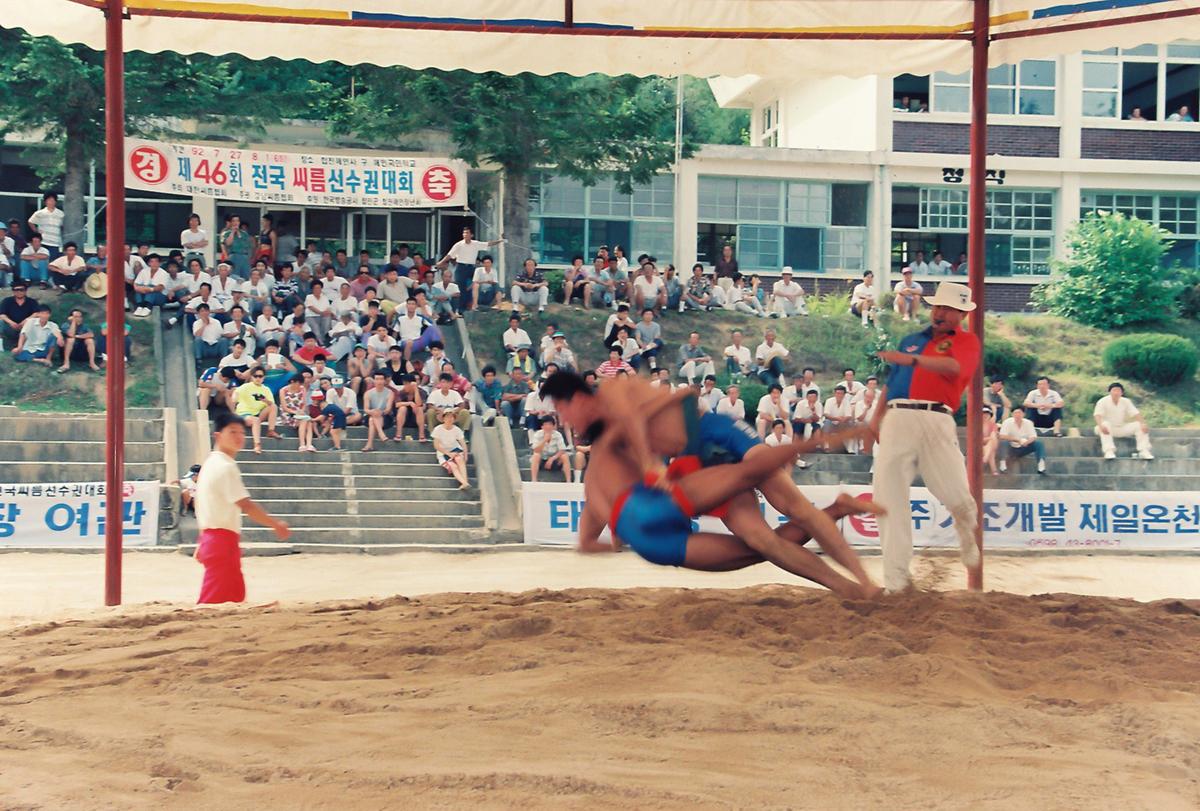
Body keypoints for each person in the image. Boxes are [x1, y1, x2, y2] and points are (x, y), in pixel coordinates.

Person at [541, 372, 877, 598]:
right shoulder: (606, 440)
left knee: (795, 507)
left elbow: (634, 418)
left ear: (575, 399)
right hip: (691, 462)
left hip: (712, 430)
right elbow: (603, 508)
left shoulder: (612, 392)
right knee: (762, 542)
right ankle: (847, 584)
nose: (565, 422)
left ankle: (864, 581)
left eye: (561, 411)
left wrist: (649, 460)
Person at [872, 281, 981, 592]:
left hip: (937, 417)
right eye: (937, 306)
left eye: (947, 308)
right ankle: (896, 582)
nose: (940, 313)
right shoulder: (911, 340)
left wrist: (915, 360)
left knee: (958, 497)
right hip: (898, 416)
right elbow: (892, 383)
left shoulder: (967, 341)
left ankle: (965, 528)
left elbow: (953, 367)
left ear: (961, 313)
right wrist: (874, 421)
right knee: (888, 499)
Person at [193, 412, 290, 604]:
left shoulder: (211, 464)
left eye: (241, 432)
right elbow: (245, 504)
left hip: (215, 538)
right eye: (233, 432)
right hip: (220, 540)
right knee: (215, 602)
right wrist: (275, 524)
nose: (239, 437)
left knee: (233, 597)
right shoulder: (224, 467)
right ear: (218, 436)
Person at [436, 226, 504, 311]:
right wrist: (441, 262)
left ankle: (475, 305)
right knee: (461, 289)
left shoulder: (475, 243)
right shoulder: (459, 244)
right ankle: (461, 309)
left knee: (476, 284)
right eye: (464, 233)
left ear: (471, 235)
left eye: (467, 233)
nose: (465, 235)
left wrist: (500, 241)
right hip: (461, 267)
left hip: (471, 267)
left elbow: (488, 243)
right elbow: (449, 255)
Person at [1093, 382, 1153, 460]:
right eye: (1114, 390)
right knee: (1106, 424)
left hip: (1120, 428)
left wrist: (1143, 423)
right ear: (1110, 392)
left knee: (1139, 425)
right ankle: (1109, 451)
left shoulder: (1126, 401)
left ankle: (1144, 451)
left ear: (1122, 392)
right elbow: (1097, 415)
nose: (1116, 393)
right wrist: (1101, 426)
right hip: (1104, 428)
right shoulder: (1103, 401)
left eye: (1118, 391)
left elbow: (1135, 413)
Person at [233, 367, 281, 454]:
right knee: (256, 420)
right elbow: (235, 395)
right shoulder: (245, 386)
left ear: (264, 377)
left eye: (260, 376)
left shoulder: (266, 389)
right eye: (256, 376)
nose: (258, 378)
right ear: (252, 377)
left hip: (257, 414)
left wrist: (264, 400)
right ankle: (257, 444)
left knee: (273, 406)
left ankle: (271, 430)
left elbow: (271, 403)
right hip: (244, 414)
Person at [997, 407, 1046, 474]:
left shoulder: (1028, 423)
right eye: (1015, 413)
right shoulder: (1007, 422)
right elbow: (1002, 436)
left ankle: (1041, 466)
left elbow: (1033, 436)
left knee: (1039, 444)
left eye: (1019, 413)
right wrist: (1017, 440)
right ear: (1012, 414)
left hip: (1023, 447)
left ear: (1023, 414)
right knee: (1004, 442)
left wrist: (1027, 442)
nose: (1017, 415)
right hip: (1011, 448)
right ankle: (1003, 465)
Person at [433, 407, 471, 489]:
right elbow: (436, 445)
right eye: (447, 417)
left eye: (451, 417)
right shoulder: (438, 429)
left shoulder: (457, 430)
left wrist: (465, 455)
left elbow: (463, 443)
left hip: (455, 449)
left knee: (459, 459)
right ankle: (463, 482)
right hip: (443, 453)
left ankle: (465, 481)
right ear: (443, 418)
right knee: (453, 466)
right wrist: (448, 454)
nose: (449, 419)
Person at [530, 415, 572, 482]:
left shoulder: (557, 435)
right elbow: (536, 450)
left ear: (553, 426)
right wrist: (544, 440)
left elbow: (562, 450)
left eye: (550, 424)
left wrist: (552, 459)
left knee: (565, 456)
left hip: (554, 460)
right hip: (542, 460)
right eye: (545, 425)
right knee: (536, 455)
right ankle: (534, 480)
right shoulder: (537, 434)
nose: (548, 427)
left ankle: (568, 480)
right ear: (542, 426)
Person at [57, 308, 99, 373]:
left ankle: (92, 363)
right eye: (76, 317)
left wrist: (78, 336)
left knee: (89, 340)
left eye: (80, 317)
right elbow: (71, 334)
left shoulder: (84, 326)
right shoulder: (65, 325)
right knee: (71, 340)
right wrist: (73, 322)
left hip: (81, 352)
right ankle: (66, 363)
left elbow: (91, 334)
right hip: (68, 351)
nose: (78, 319)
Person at [27, 192, 65, 260]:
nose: (51, 202)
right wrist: (36, 232)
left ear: (55, 201)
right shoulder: (40, 213)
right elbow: (30, 222)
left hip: (55, 242)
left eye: (53, 200)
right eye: (49, 200)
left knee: (52, 261)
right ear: (45, 201)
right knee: (41, 260)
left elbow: (62, 226)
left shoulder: (61, 214)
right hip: (43, 241)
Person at [0, 282, 38, 349]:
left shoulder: (32, 302)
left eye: (21, 290)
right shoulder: (7, 301)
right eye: (16, 290)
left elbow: (37, 313)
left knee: (36, 321)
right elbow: (2, 314)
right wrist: (11, 323)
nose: (19, 292)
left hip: (26, 327)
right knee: (1, 322)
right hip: (10, 326)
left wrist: (26, 321)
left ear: (25, 291)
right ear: (13, 291)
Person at [219, 215, 253, 279]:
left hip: (244, 257)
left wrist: (238, 232)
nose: (235, 223)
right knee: (234, 277)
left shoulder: (244, 233)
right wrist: (232, 232)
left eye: (237, 221)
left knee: (246, 277)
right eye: (233, 221)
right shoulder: (226, 233)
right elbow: (228, 243)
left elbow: (247, 245)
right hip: (233, 256)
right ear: (231, 222)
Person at [981, 406, 1000, 475]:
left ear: (990, 415)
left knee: (991, 441)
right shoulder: (976, 425)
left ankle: (985, 458)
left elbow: (993, 436)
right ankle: (994, 470)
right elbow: (978, 440)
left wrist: (989, 439)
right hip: (981, 446)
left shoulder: (993, 425)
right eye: (983, 414)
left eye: (987, 414)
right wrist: (989, 439)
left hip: (992, 444)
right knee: (991, 451)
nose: (985, 415)